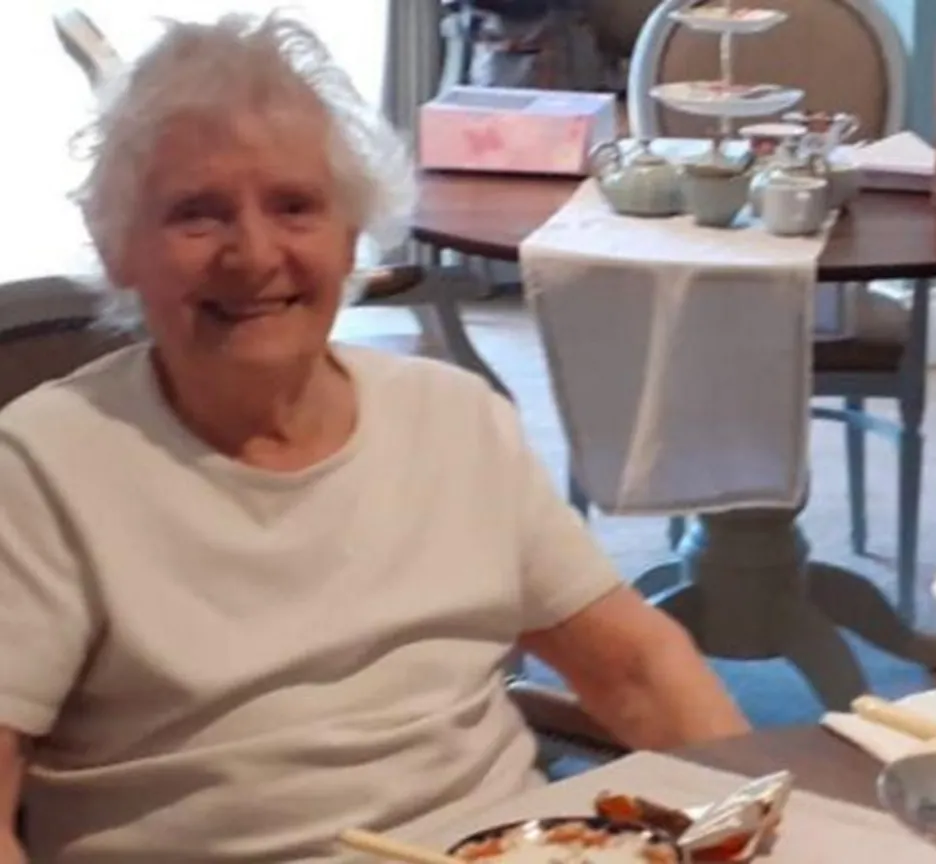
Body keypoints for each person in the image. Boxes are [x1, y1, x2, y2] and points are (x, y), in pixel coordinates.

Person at [0, 13, 748, 864]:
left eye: (295, 206)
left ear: (351, 233)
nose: (254, 254)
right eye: (197, 215)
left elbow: (635, 668)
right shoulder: (43, 467)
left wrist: (756, 823)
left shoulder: (454, 420)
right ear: (117, 247)